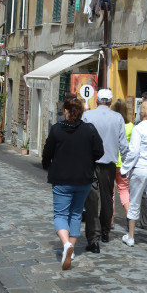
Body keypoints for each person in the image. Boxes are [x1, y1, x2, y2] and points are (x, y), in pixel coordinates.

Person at [42, 94, 104, 270]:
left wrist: (47, 166)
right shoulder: (89, 129)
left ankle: (66, 244)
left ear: (66, 111)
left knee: (60, 214)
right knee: (76, 214)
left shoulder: (56, 129)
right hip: (83, 178)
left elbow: (47, 152)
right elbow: (99, 151)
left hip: (61, 179)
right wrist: (88, 160)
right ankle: (72, 248)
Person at [82, 88, 129, 253]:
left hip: (91, 162)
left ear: (97, 100)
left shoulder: (88, 116)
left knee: (92, 199)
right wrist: (127, 164)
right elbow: (123, 144)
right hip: (109, 163)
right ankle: (105, 231)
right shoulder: (117, 118)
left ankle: (93, 238)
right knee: (108, 197)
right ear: (110, 102)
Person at [121, 100, 147, 253]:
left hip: (140, 169)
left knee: (134, 202)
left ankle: (131, 236)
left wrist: (125, 169)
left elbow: (133, 152)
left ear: (142, 112)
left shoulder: (138, 129)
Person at [111, 99, 133, 215]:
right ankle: (129, 215)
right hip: (124, 163)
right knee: (124, 190)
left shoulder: (111, 124)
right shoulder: (131, 126)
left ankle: (111, 218)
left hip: (111, 161)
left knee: (111, 192)